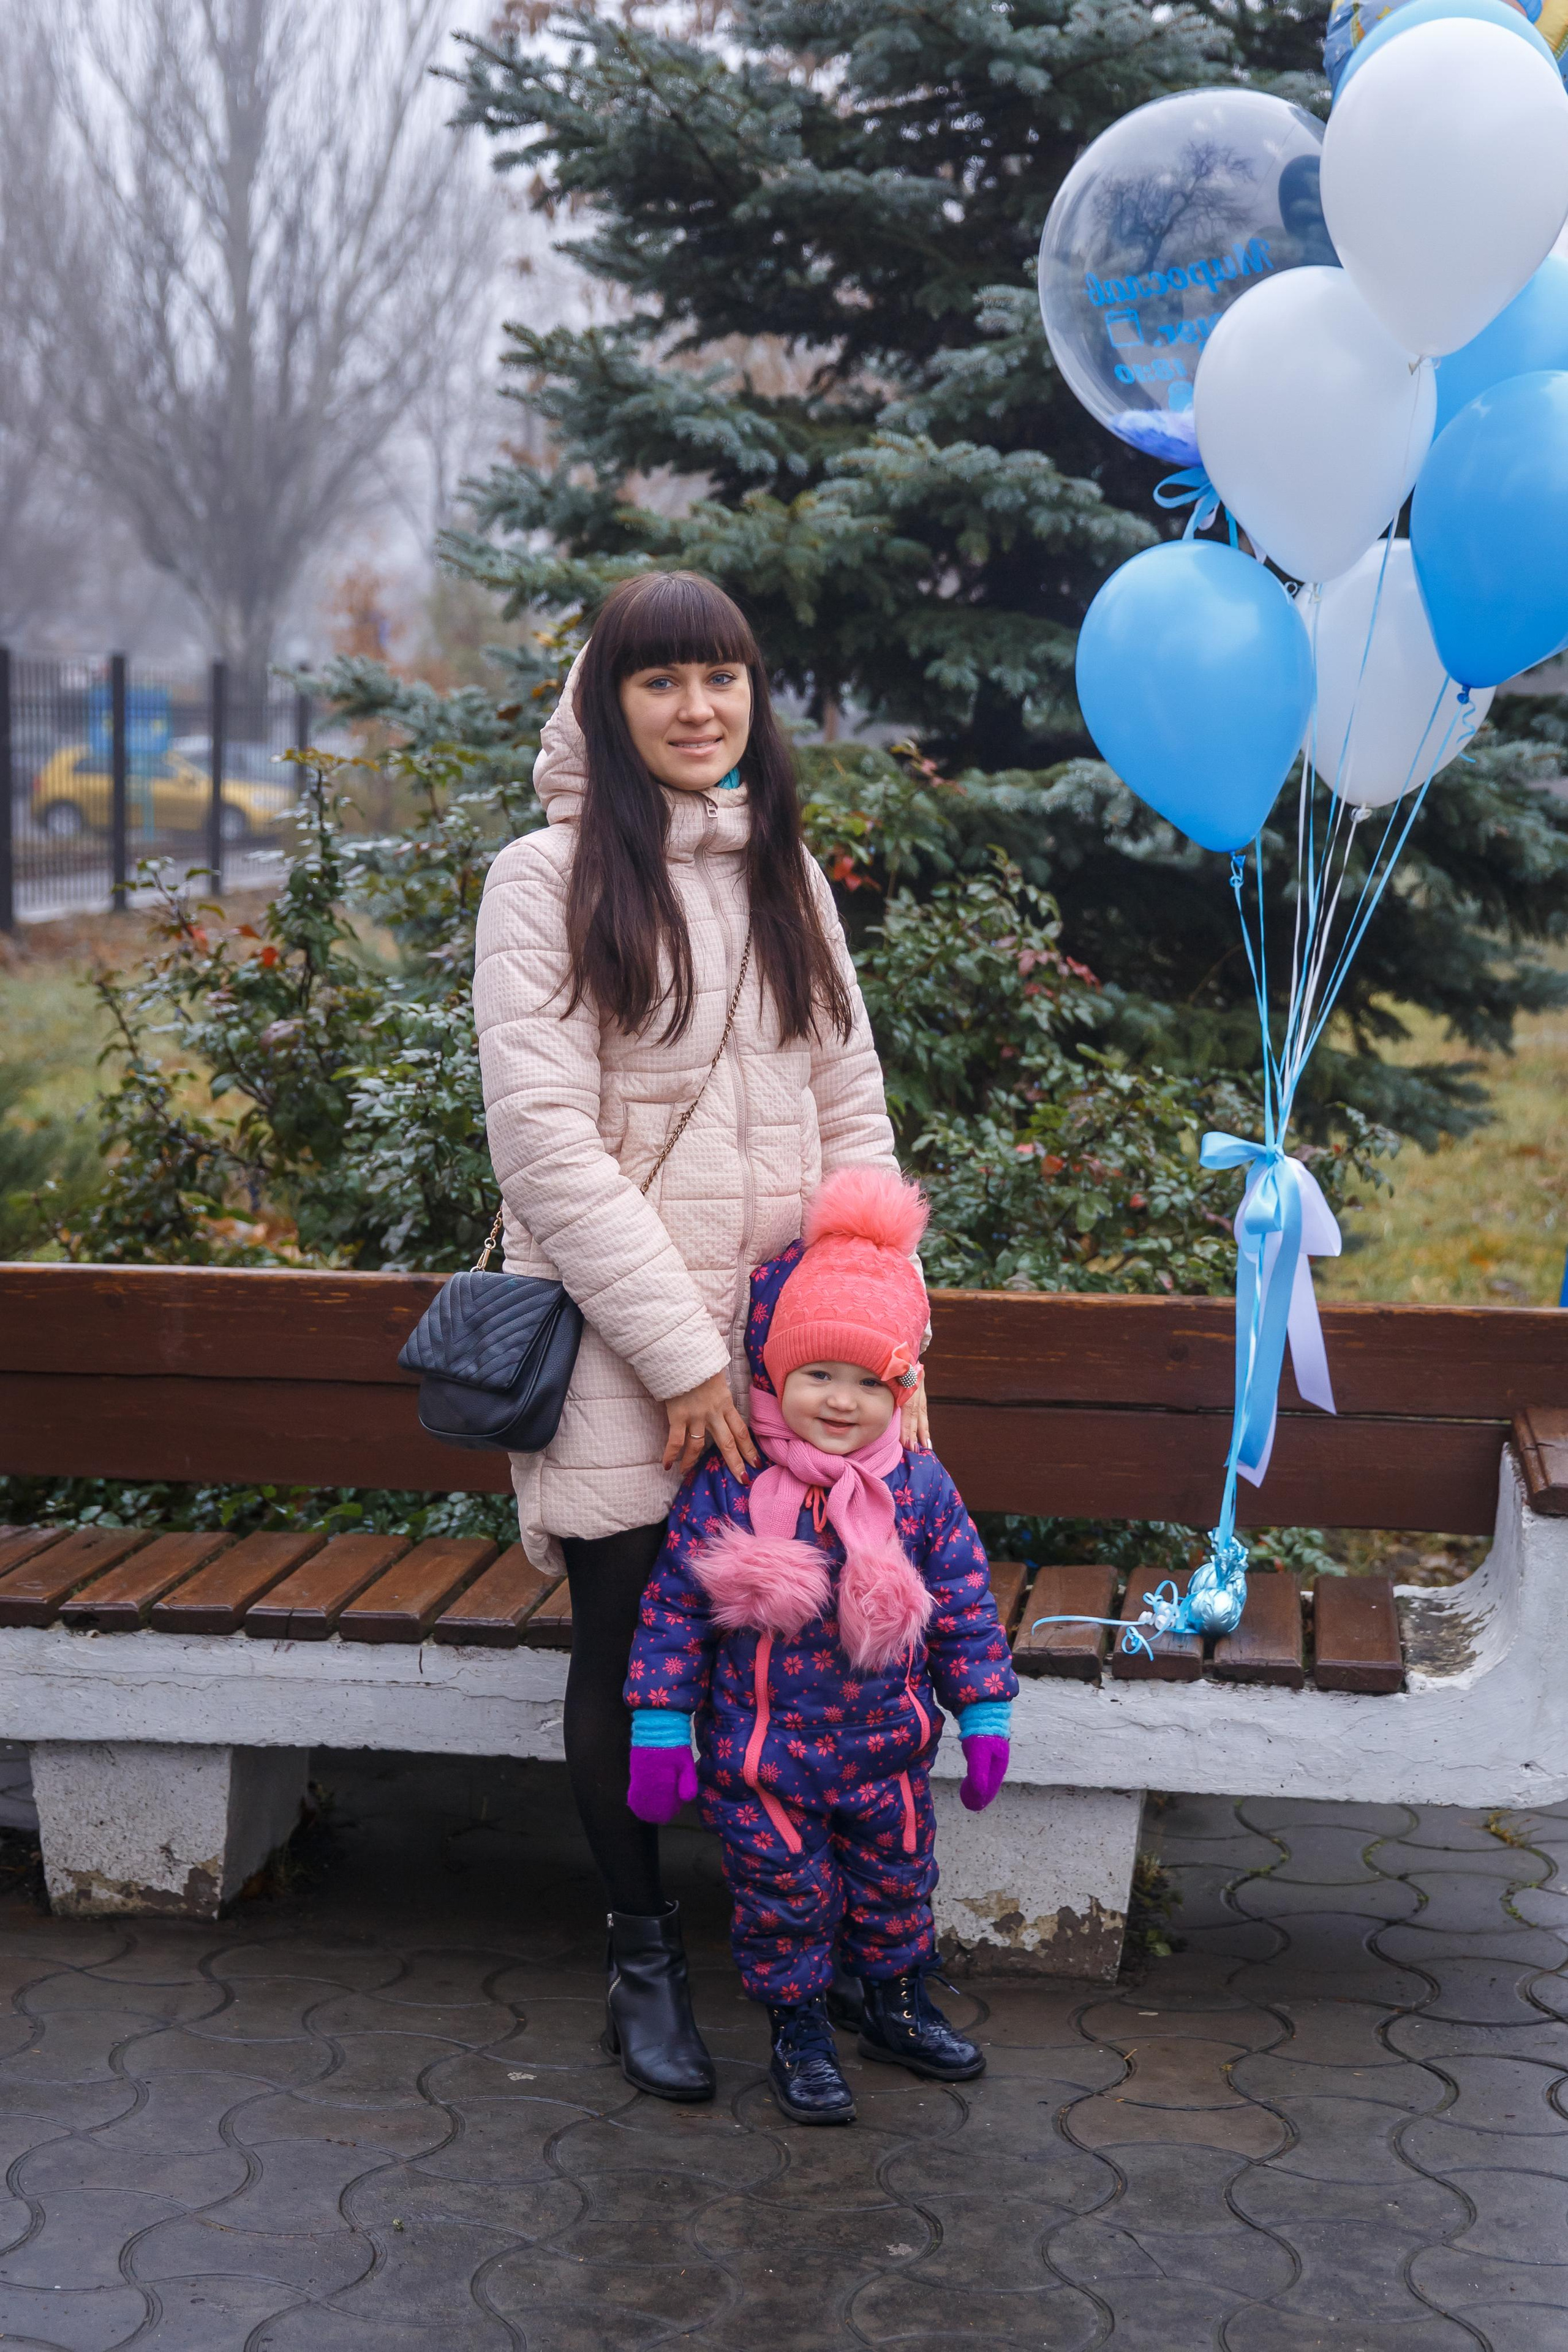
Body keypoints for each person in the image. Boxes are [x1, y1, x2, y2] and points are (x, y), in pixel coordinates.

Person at [473, 571, 920, 2103]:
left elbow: (852, 1111)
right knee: (626, 1646)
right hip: (631, 1347)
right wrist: (680, 1356)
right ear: (607, 700)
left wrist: (880, 1350)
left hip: (799, 1353)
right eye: (660, 681)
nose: (697, 708)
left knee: (795, 1648)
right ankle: (642, 1954)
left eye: (721, 678)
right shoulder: (542, 880)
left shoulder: (787, 876)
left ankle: (846, 1956)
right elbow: (543, 1147)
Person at [623, 1167, 1018, 2126]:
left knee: (897, 1887)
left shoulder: (918, 1489)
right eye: (817, 1376)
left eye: (868, 1382)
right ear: (772, 1375)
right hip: (766, 1765)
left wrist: (986, 1710)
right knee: (784, 1902)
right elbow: (675, 1608)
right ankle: (798, 2029)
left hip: (887, 1754)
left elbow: (963, 1599)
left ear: (903, 1389)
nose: (841, 1403)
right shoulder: (732, 1485)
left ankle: (893, 2004)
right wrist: (661, 1725)